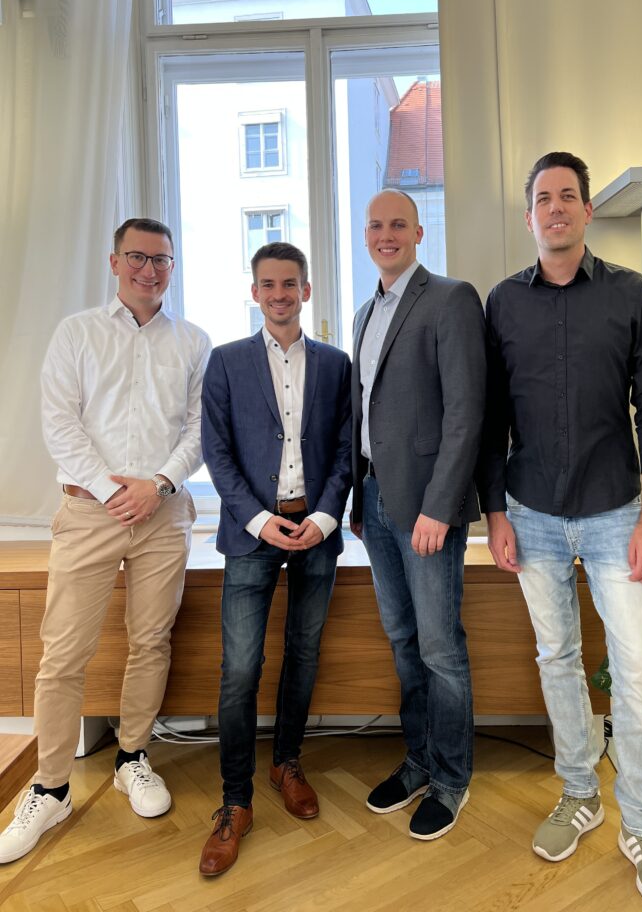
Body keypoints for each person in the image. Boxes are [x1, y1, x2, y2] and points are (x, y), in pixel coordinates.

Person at [479, 152, 642, 908]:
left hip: (617, 513)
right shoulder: (503, 302)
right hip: (530, 511)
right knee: (557, 657)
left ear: (588, 210)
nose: (556, 207)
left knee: (637, 675)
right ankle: (579, 793)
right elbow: (490, 418)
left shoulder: (633, 294)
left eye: (569, 195)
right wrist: (495, 513)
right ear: (529, 216)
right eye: (544, 198)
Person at [0, 218, 211, 865]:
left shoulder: (193, 342)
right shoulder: (77, 333)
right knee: (63, 654)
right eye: (138, 257)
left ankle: (132, 757)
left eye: (162, 259)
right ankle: (51, 788)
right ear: (114, 262)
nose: (150, 270)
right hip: (88, 513)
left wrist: (159, 484)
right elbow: (59, 424)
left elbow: (201, 429)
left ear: (172, 267)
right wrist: (112, 491)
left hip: (163, 515)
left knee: (151, 641)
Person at [198, 242, 352, 877]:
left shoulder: (336, 364)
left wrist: (324, 517)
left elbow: (345, 448)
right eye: (269, 284)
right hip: (251, 531)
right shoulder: (226, 361)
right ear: (255, 291)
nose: (280, 294)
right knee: (240, 669)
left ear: (306, 291)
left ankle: (287, 763)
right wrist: (260, 520)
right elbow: (216, 451)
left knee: (304, 652)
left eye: (291, 284)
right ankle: (235, 801)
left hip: (315, 529)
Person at [350, 189, 485, 841]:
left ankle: (452, 779)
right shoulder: (364, 313)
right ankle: (420, 761)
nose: (387, 234)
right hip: (376, 502)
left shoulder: (451, 299)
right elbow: (366, 414)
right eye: (376, 225)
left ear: (418, 231)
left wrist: (439, 506)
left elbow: (466, 411)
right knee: (403, 640)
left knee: (438, 647)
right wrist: (358, 500)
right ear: (366, 235)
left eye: (398, 223)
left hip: (427, 507)